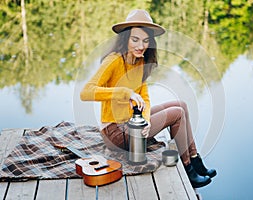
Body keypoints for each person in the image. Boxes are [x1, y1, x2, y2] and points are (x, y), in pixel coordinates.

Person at [80, 9, 216, 188]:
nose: (140, 46)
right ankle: (188, 169)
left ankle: (195, 159)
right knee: (176, 114)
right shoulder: (113, 61)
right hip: (114, 133)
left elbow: (144, 96)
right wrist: (125, 92)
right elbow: (86, 92)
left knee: (181, 105)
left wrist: (146, 120)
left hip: (132, 125)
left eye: (145, 41)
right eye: (135, 39)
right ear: (125, 39)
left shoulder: (140, 62)